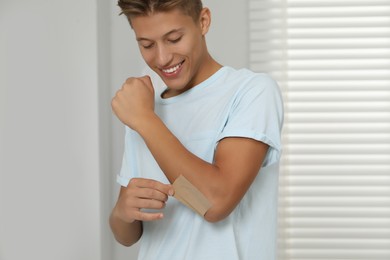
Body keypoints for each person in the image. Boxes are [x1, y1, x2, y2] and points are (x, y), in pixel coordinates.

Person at [109, 0, 284, 259]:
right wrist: (123, 212)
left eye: (174, 39)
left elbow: (215, 203)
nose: (162, 58)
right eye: (146, 44)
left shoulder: (252, 92)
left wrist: (145, 120)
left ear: (203, 22)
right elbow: (127, 234)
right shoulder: (146, 108)